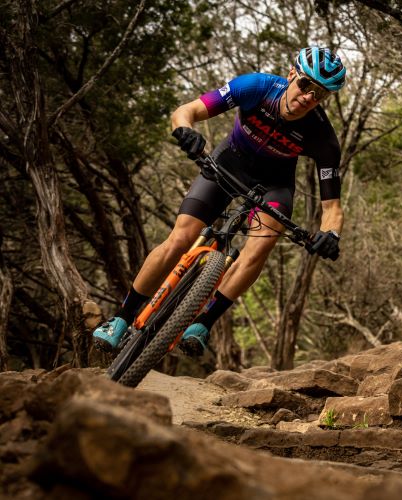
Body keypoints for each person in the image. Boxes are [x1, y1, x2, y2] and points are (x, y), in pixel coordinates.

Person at [92, 46, 346, 356]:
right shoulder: (255, 87)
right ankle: (121, 317)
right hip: (227, 164)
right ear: (292, 74)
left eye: (320, 94)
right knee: (180, 238)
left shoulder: (322, 137)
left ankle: (203, 324)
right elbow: (186, 111)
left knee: (259, 248)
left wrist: (331, 235)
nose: (309, 96)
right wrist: (184, 130)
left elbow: (331, 208)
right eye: (306, 84)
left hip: (273, 186)